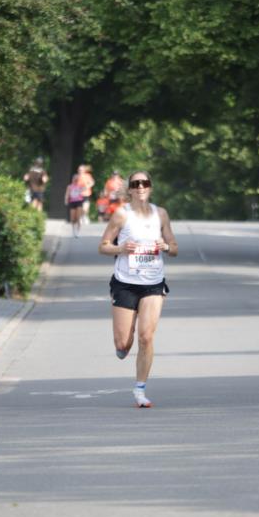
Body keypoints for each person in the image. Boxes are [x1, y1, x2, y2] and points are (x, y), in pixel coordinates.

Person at [98, 170, 178, 407]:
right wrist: (121, 248)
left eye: (145, 183)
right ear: (130, 189)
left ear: (150, 187)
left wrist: (165, 245)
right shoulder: (121, 215)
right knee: (123, 343)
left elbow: (174, 248)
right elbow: (103, 246)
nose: (141, 187)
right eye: (136, 183)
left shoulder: (160, 214)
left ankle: (140, 390)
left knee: (147, 337)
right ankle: (124, 337)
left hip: (153, 282)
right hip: (125, 282)